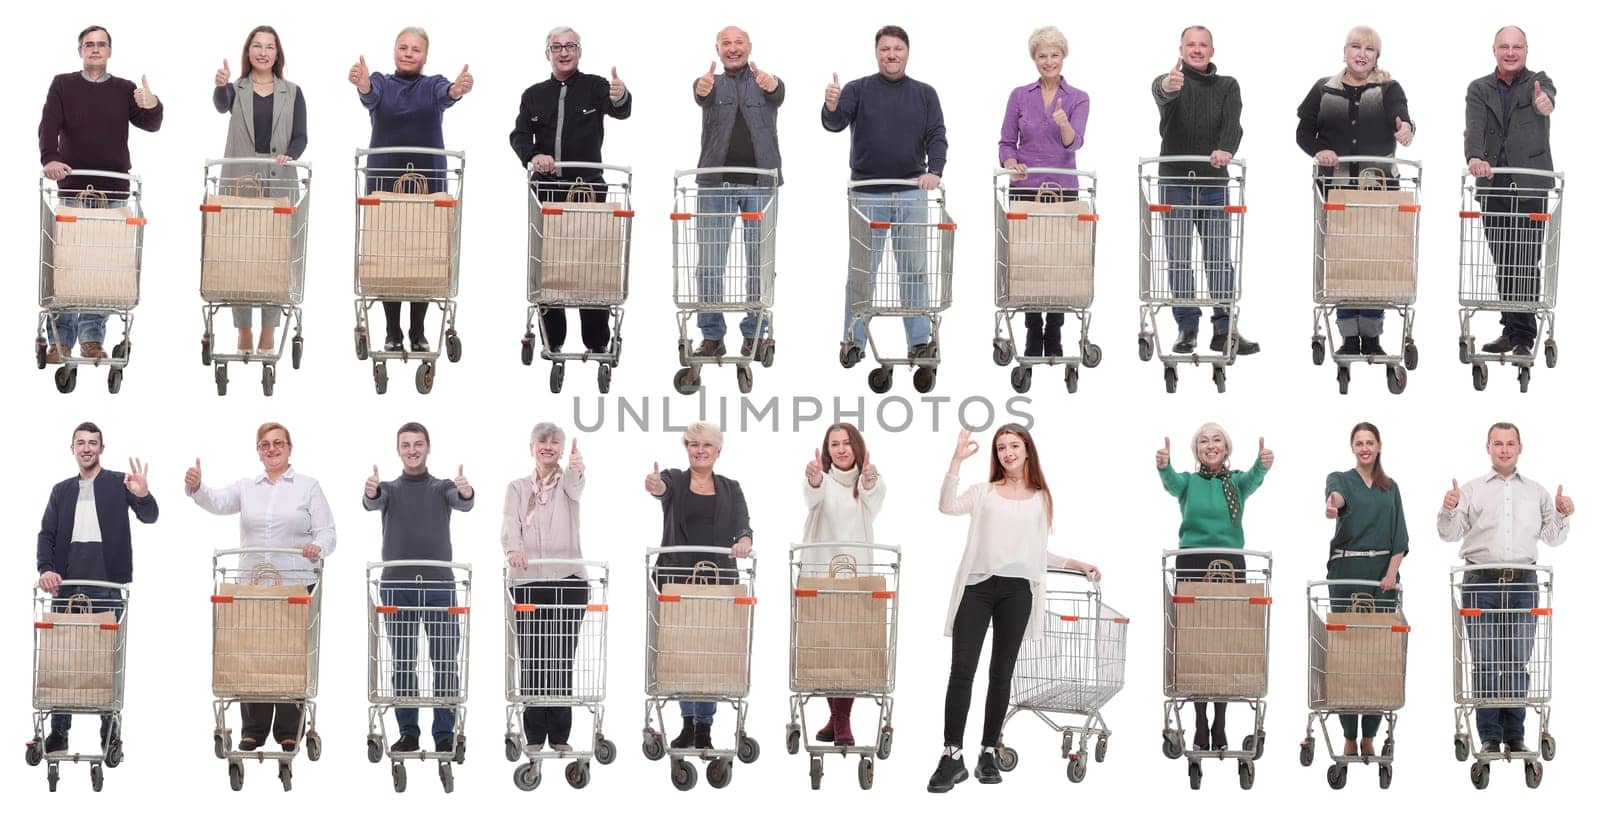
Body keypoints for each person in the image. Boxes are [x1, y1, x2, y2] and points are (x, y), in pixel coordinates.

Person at [928, 424, 1100, 792]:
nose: (1007, 452)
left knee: (1001, 674)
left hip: (1017, 593)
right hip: (977, 587)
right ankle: (952, 755)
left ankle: (988, 750)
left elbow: (1035, 553)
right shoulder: (984, 493)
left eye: (1014, 445)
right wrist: (956, 462)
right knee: (962, 672)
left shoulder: (1041, 498)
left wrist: (1077, 564)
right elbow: (945, 505)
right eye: (1001, 447)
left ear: (1027, 450)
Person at [185, 422, 334, 752]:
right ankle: (253, 727)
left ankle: (287, 728)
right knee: (252, 653)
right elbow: (219, 502)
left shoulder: (308, 487)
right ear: (258, 450)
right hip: (253, 585)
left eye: (278, 443)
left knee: (289, 656)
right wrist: (198, 488)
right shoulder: (247, 486)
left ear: (290, 448)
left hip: (295, 585)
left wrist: (317, 548)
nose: (272, 449)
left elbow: (328, 532)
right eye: (265, 444)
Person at [1437, 422, 1572, 755]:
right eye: (1498, 443)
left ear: (1520, 448)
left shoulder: (1537, 492)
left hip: (1524, 583)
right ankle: (1488, 735)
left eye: (1510, 443)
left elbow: (1553, 537)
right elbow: (1449, 534)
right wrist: (1449, 507)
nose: (1504, 449)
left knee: (1517, 660)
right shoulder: (1471, 489)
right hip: (1480, 582)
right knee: (1484, 660)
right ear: (1488, 448)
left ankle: (1514, 733)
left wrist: (1563, 513)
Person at [38, 25, 163, 364]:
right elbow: (48, 124)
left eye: (101, 45)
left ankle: (92, 339)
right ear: (80, 51)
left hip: (114, 189)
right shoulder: (63, 84)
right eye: (89, 45)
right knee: (69, 265)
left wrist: (152, 104)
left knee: (103, 268)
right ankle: (60, 342)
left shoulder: (124, 89)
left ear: (110, 51)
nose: (95, 50)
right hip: (73, 186)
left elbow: (151, 123)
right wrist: (50, 158)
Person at [822, 25, 948, 360]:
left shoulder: (925, 93)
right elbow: (834, 124)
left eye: (897, 49)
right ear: (876, 53)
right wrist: (831, 106)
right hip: (867, 194)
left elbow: (937, 134)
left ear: (907, 52)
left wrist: (934, 171)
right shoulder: (857, 89)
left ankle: (920, 341)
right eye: (884, 49)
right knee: (862, 272)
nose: (891, 55)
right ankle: (853, 339)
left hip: (910, 192)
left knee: (914, 270)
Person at [349, 27, 473, 354]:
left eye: (415, 49)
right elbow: (370, 94)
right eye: (403, 47)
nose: (408, 53)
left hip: (427, 181)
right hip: (384, 181)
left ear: (425, 56)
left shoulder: (432, 85)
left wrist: (457, 90)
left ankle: (417, 331)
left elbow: (447, 93)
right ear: (394, 51)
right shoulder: (382, 82)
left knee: (423, 252)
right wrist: (362, 84)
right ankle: (392, 331)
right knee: (388, 253)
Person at [35, 422, 157, 753]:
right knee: (63, 661)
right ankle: (59, 733)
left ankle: (110, 732)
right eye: (80, 443)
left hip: (107, 585)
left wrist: (143, 495)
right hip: (67, 586)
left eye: (93, 443)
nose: (86, 448)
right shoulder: (61, 490)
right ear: (72, 448)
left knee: (106, 662)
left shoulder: (119, 483)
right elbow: (46, 534)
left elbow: (150, 516)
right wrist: (46, 569)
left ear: (102, 448)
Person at [510, 26, 631, 356]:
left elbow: (620, 108)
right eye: (556, 47)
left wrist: (620, 96)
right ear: (547, 53)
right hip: (547, 191)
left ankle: (596, 341)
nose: (564, 52)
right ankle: (554, 340)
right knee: (549, 265)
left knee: (591, 263)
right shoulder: (533, 94)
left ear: (580, 51)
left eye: (570, 46)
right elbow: (519, 135)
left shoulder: (595, 86)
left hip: (588, 190)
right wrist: (534, 156)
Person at [1296, 26, 1415, 357]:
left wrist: (1405, 129)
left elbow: (1402, 119)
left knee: (1373, 260)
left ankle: (1373, 336)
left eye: (1370, 49)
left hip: (1379, 188)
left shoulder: (1388, 88)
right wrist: (1319, 149)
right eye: (1356, 47)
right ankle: (1349, 336)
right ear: (1344, 51)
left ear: (1378, 56)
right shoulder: (1324, 89)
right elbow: (1304, 131)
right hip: (1336, 190)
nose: (1362, 53)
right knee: (1344, 260)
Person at [1155, 424, 1274, 752]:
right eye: (1203, 441)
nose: (1210, 445)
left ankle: (1220, 722)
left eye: (1216, 439)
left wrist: (1262, 462)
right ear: (1196, 450)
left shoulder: (1235, 483)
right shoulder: (1188, 483)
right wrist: (1164, 464)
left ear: (1226, 447)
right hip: (1192, 560)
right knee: (1196, 641)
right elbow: (1170, 482)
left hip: (1231, 561)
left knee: (1224, 641)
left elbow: (1254, 477)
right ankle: (1199, 720)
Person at [363, 422, 475, 754]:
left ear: (428, 447)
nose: (412, 450)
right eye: (406, 445)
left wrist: (466, 491)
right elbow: (372, 501)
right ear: (398, 450)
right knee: (403, 660)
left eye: (418, 444)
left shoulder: (442, 487)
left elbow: (464, 502)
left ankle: (443, 733)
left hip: (440, 586)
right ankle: (408, 732)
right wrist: (370, 491)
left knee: (444, 661)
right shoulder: (389, 489)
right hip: (397, 587)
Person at [643, 422, 753, 750]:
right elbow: (660, 487)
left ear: (718, 451)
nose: (700, 450)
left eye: (706, 445)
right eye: (693, 444)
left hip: (718, 582)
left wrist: (745, 540)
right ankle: (688, 724)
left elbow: (742, 525)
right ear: (686, 448)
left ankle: (704, 728)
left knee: (711, 654)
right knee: (682, 653)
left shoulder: (731, 488)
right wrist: (654, 485)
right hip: (678, 581)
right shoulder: (675, 480)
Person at [1151, 26, 1258, 356]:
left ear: (1212, 50)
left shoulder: (1227, 85)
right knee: (1180, 257)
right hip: (1176, 184)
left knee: (1218, 257)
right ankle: (1187, 328)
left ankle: (1225, 328)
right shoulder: (1171, 81)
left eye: (1203, 45)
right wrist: (1169, 85)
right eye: (1190, 45)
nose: (1197, 50)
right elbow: (1162, 91)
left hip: (1213, 184)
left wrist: (1225, 148)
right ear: (1180, 49)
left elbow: (1232, 122)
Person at [212, 25, 309, 355]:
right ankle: (243, 331)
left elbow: (301, 136)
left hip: (279, 177)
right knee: (240, 253)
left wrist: (290, 155)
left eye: (269, 47)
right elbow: (220, 104)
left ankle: (269, 330)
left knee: (275, 253)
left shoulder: (292, 91)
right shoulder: (235, 89)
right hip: (240, 176)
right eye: (257, 46)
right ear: (248, 52)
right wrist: (221, 84)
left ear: (278, 54)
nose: (263, 52)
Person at [691, 25, 783, 359]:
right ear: (717, 50)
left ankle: (755, 332)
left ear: (749, 46)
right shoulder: (709, 84)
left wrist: (772, 85)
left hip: (761, 183)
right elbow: (699, 95)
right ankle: (712, 336)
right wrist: (702, 90)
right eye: (726, 44)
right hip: (715, 183)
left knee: (759, 263)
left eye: (738, 42)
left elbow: (778, 94)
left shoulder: (767, 81)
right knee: (710, 265)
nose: (733, 48)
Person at [1464, 26, 1557, 358]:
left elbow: (1547, 96)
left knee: (1526, 261)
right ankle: (1510, 329)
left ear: (1526, 50)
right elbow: (1473, 127)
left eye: (1517, 46)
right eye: (1504, 46)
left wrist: (1545, 102)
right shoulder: (1478, 88)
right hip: (1494, 185)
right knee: (1504, 261)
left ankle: (1523, 335)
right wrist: (1475, 156)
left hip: (1530, 187)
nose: (1511, 52)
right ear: (1494, 50)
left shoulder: (1538, 81)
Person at [998, 25, 1090, 358]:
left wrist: (1064, 121)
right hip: (1025, 189)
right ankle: (1032, 331)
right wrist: (1010, 160)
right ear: (1034, 59)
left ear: (1063, 57)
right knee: (1029, 262)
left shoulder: (1079, 97)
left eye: (1054, 55)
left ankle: (1055, 334)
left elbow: (1073, 142)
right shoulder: (1020, 95)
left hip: (1063, 190)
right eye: (1042, 55)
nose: (1048, 61)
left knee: (1060, 262)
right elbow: (1007, 141)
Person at [501, 423, 588, 754]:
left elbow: (577, 486)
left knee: (562, 658)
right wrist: (512, 550)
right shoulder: (518, 487)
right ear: (531, 447)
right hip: (529, 582)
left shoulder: (567, 483)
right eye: (542, 441)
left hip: (568, 582)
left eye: (555, 443)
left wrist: (578, 468)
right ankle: (535, 735)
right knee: (533, 658)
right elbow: (510, 523)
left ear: (562, 450)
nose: (548, 446)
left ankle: (561, 736)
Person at [1323, 422, 1408, 757]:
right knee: (1347, 652)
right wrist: (1333, 505)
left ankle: (1370, 735)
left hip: (1381, 577)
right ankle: (1348, 733)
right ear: (1352, 447)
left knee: (1377, 654)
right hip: (1347, 572)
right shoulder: (1340, 479)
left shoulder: (1391, 488)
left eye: (1369, 442)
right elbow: (1336, 498)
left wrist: (1390, 575)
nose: (1364, 448)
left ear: (1379, 445)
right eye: (1358, 443)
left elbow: (1399, 537)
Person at [800, 422, 884, 746]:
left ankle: (842, 720)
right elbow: (813, 496)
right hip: (820, 573)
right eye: (834, 444)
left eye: (846, 443)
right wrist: (814, 478)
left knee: (848, 648)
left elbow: (874, 500)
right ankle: (836, 719)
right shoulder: (822, 479)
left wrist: (870, 482)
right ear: (827, 450)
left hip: (855, 577)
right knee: (824, 647)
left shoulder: (867, 481)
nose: (841, 449)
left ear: (857, 447)